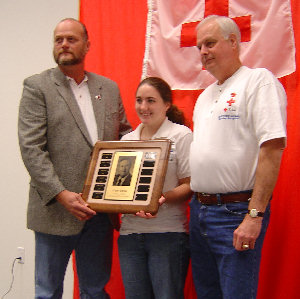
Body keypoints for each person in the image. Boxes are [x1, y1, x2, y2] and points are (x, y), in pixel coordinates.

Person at [18, 18, 131, 299]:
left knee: (94, 289)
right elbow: (32, 148)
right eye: (59, 39)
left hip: (98, 213)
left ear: (87, 45)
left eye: (71, 39)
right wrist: (60, 194)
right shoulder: (37, 87)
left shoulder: (109, 88)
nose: (64, 44)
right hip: (55, 211)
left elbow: (125, 139)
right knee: (47, 291)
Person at [189, 15, 287, 299]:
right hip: (200, 211)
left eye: (209, 43)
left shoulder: (258, 81)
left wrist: (254, 215)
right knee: (207, 293)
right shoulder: (204, 96)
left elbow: (271, 148)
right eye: (199, 46)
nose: (203, 52)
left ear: (233, 42)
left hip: (236, 213)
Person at [118, 77, 193, 299]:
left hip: (168, 235)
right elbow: (119, 189)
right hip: (130, 235)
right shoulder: (125, 142)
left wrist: (160, 198)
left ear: (167, 104)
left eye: (151, 100)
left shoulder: (181, 135)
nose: (143, 107)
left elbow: (190, 185)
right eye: (139, 100)